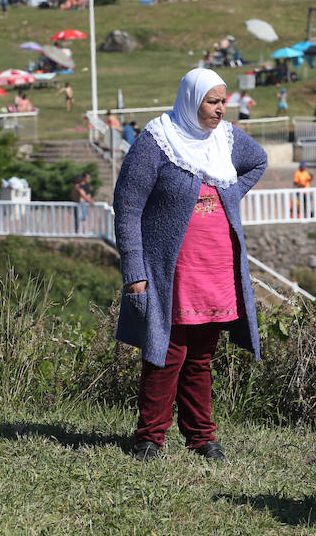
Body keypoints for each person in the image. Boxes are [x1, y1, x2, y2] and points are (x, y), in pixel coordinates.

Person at [113, 68, 268, 462]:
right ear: (190, 100)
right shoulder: (157, 142)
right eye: (212, 102)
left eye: (223, 101)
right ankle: (149, 437)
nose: (220, 110)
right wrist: (134, 271)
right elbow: (127, 206)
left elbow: (258, 161)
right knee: (166, 353)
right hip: (172, 269)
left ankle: (202, 437)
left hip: (216, 266)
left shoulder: (226, 140)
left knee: (201, 356)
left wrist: (228, 194)